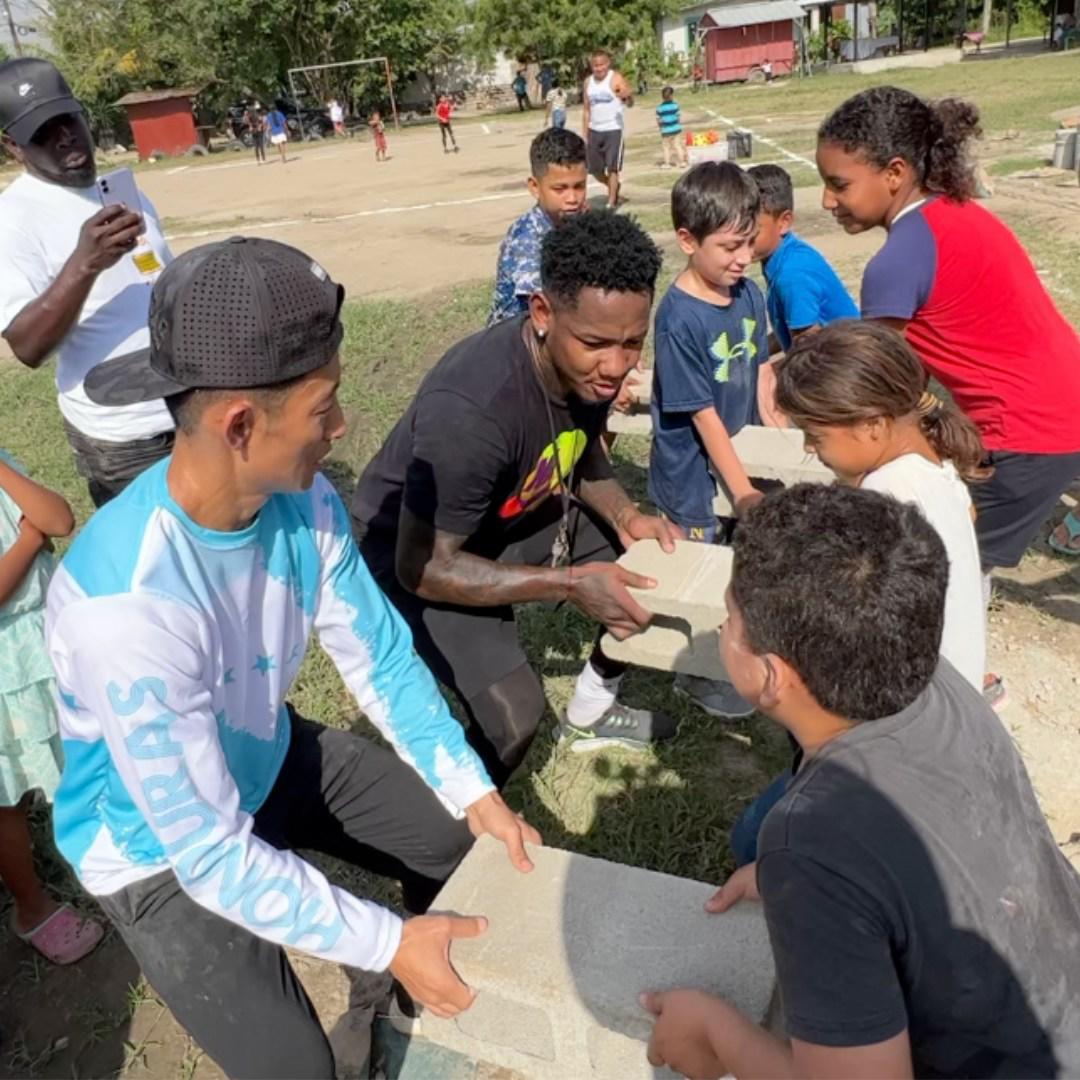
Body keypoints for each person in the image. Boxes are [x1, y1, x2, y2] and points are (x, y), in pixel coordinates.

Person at [47, 237, 539, 1078]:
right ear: (240, 424)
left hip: (264, 755)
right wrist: (383, 937)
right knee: (297, 1069)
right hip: (157, 850)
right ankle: (390, 959)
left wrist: (474, 792)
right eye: (325, 406)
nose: (341, 428)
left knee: (460, 847)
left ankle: (400, 993)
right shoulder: (126, 611)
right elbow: (208, 851)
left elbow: (381, 659)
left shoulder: (303, 500)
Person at [641, 483, 1080, 1080]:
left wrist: (715, 1031)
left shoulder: (811, 838)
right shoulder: (929, 676)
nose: (722, 628)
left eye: (730, 619)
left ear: (770, 676)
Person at [352, 213, 682, 789]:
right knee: (515, 721)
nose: (616, 366)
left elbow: (577, 448)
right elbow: (423, 567)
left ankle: (593, 708)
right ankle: (454, 827)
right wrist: (568, 583)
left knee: (646, 570)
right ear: (542, 314)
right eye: (596, 344)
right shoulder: (472, 412)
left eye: (633, 342)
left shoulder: (584, 369)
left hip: (499, 518)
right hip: (413, 554)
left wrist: (626, 515)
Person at [817, 87, 1080, 708]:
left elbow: (874, 391)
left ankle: (966, 687)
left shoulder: (895, 263)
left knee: (949, 562)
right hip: (1063, 400)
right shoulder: (956, 213)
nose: (827, 200)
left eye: (839, 184)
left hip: (1029, 432)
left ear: (895, 173)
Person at [0, 58, 175, 508]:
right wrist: (85, 264)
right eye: (43, 132)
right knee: (147, 549)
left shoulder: (117, 190)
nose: (65, 136)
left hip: (187, 408)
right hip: (124, 437)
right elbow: (27, 346)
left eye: (68, 119)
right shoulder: (11, 220)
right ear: (13, 146)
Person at [775, 320, 987, 691]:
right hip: (957, 685)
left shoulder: (884, 497)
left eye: (815, 435)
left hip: (911, 699)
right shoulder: (933, 459)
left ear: (872, 425)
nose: (808, 446)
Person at [647, 162, 767, 719]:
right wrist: (743, 492)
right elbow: (703, 417)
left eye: (750, 243)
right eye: (729, 247)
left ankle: (732, 648)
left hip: (739, 458)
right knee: (700, 570)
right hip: (692, 476)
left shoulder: (748, 294)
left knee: (735, 564)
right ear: (687, 241)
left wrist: (773, 454)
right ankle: (695, 672)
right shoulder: (678, 319)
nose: (743, 258)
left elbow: (760, 375)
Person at [0, 452, 105, 966]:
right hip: (5, 677)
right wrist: (27, 541)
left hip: (46, 644)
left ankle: (105, 843)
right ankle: (32, 908)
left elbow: (59, 520)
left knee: (84, 750)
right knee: (6, 803)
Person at [747, 163, 857, 351]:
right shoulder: (782, 256)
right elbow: (790, 329)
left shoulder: (792, 275)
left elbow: (807, 353)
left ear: (784, 222)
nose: (742, 237)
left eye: (753, 230)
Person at [488, 127, 588, 326]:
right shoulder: (526, 240)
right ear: (535, 187)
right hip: (518, 336)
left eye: (579, 186)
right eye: (560, 189)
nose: (572, 198)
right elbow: (547, 311)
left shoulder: (572, 221)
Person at [582, 49, 633, 210]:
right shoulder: (588, 82)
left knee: (612, 168)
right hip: (594, 130)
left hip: (613, 129)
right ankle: (613, 186)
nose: (599, 68)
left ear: (608, 63)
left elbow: (630, 103)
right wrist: (585, 134)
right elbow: (586, 110)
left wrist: (627, 96)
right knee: (594, 170)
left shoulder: (615, 78)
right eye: (595, 65)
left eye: (602, 64)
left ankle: (611, 202)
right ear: (591, 66)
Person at [656, 86, 688, 170]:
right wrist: (677, 124)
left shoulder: (659, 108)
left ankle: (667, 164)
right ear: (672, 95)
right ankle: (682, 162)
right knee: (677, 145)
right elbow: (678, 117)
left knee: (666, 147)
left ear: (662, 96)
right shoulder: (675, 106)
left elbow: (659, 120)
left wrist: (660, 127)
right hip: (676, 128)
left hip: (665, 130)